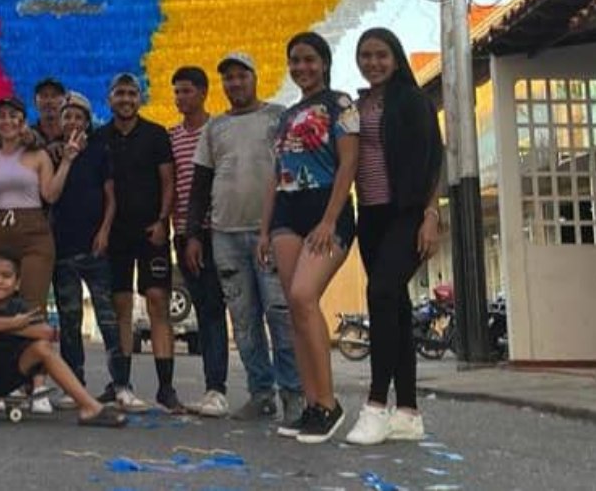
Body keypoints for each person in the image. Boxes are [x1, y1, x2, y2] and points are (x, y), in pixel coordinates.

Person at [180, 58, 304, 422]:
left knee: (280, 315)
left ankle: (294, 395)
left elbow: (295, 172)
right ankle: (261, 393)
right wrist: (192, 235)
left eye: (240, 76)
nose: (234, 83)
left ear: (255, 78)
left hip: (272, 232)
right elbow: (200, 186)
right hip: (224, 235)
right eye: (228, 78)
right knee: (244, 320)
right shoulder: (214, 128)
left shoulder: (279, 117)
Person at [257, 32, 359, 444]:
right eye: (295, 61)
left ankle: (330, 404)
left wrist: (330, 219)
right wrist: (263, 231)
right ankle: (311, 404)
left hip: (325, 209)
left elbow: (349, 161)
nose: (302, 68)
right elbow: (274, 176)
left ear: (324, 62)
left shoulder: (341, 104)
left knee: (303, 296)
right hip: (285, 212)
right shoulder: (285, 116)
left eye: (309, 60)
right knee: (292, 311)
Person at [344, 28, 443, 446]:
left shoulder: (413, 101)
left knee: (381, 292)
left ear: (396, 57)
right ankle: (408, 412)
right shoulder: (357, 104)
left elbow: (435, 158)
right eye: (365, 56)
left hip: (407, 213)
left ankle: (374, 405)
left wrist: (431, 215)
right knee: (396, 307)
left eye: (381, 55)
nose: (373, 63)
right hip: (369, 216)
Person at [0, 95, 78, 412]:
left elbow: (51, 194)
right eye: (1, 116)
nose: (7, 121)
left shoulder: (38, 156)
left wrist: (68, 161)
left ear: (21, 121)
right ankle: (11, 382)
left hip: (34, 233)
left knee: (32, 306)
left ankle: (39, 384)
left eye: (13, 116)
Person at [0, 253, 127, 428]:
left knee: (43, 347)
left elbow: (46, 332)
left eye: (6, 276)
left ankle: (90, 407)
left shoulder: (19, 305)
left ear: (17, 283)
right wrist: (13, 323)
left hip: (3, 379)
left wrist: (11, 326)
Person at [96, 73, 178, 412]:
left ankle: (166, 387)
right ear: (110, 98)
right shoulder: (99, 138)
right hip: (115, 234)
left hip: (151, 231)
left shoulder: (156, 134)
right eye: (120, 93)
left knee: (158, 301)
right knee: (121, 308)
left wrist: (162, 221)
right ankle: (121, 382)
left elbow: (169, 181)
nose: (126, 99)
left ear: (140, 98)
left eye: (132, 93)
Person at [49, 92, 121, 408]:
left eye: (79, 117)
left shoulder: (98, 151)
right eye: (67, 117)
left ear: (87, 121)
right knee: (69, 320)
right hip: (62, 248)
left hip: (94, 246)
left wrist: (105, 231)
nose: (73, 122)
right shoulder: (51, 153)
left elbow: (111, 197)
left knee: (108, 318)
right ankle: (73, 384)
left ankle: (120, 383)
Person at [167, 66, 231, 418]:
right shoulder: (171, 136)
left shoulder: (219, 129)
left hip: (219, 230)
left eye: (187, 91)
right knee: (206, 308)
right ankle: (214, 388)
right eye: (176, 92)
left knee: (231, 308)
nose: (181, 98)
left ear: (204, 92)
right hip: (184, 234)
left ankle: (249, 388)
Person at [32, 76, 68, 165]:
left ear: (65, 101)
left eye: (54, 96)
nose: (49, 101)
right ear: (35, 102)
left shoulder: (73, 135)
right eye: (44, 96)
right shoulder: (28, 135)